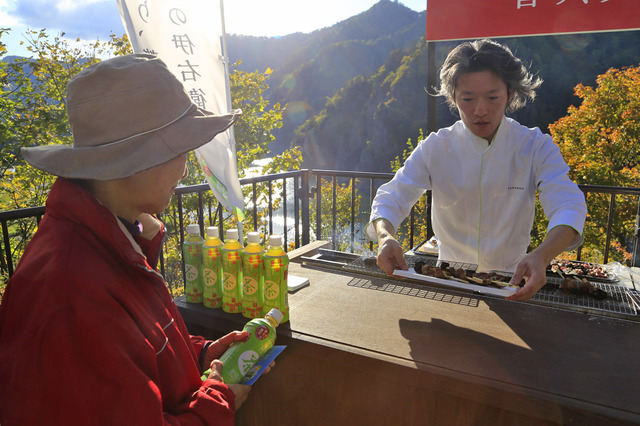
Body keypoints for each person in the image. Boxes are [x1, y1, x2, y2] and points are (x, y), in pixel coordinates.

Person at [0, 54, 260, 424]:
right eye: (179, 150)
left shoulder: (113, 240)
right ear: (133, 160)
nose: (185, 169)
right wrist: (214, 403)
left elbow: (131, 351)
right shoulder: (70, 295)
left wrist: (197, 354)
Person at [366, 39, 587, 302]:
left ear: (510, 95)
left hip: (512, 282)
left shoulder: (534, 146)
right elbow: (392, 196)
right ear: (453, 99)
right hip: (447, 280)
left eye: (492, 97)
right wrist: (385, 237)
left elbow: (568, 203)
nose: (480, 110)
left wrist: (542, 254)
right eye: (467, 99)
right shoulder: (436, 147)